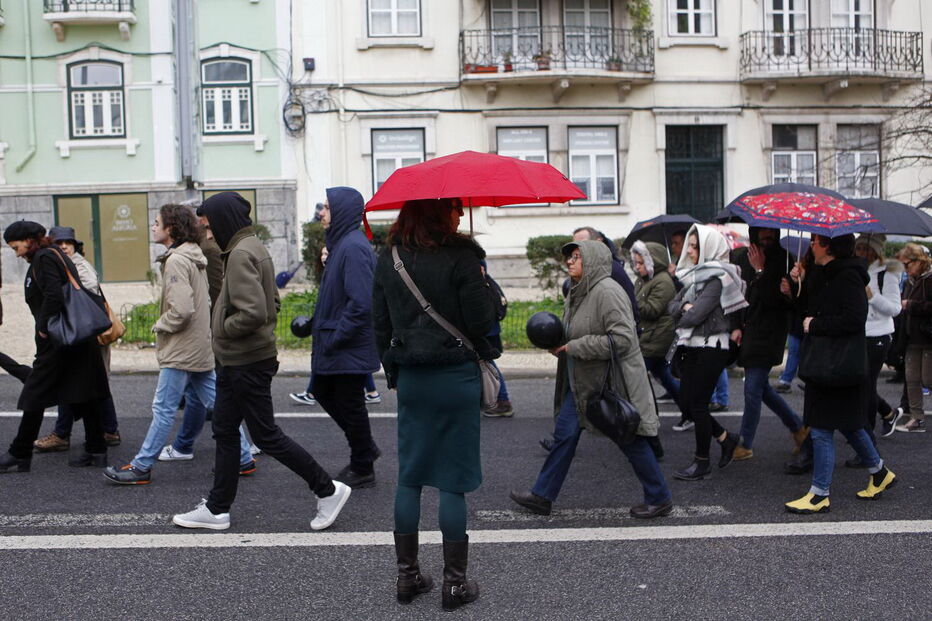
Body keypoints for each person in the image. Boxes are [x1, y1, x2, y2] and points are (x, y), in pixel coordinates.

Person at [173, 192, 350, 531]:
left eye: (209, 227)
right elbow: (273, 304)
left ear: (222, 221)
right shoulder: (252, 247)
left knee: (266, 436)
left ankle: (327, 490)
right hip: (241, 359)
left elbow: (254, 312)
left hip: (245, 361)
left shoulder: (239, 254)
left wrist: (221, 329)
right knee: (224, 429)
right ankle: (216, 508)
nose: (207, 234)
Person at [372, 198, 495, 610]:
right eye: (455, 207)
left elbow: (380, 321)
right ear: (437, 212)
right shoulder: (463, 256)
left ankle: (407, 577)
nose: (460, 214)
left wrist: (393, 371)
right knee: (452, 480)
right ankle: (454, 585)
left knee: (410, 475)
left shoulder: (389, 257)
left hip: (411, 377)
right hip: (455, 375)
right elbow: (481, 324)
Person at [510, 241, 671, 521]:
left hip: (607, 383)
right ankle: (542, 496)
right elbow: (576, 329)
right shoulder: (578, 290)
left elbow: (622, 339)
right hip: (582, 381)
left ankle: (659, 498)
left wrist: (575, 347)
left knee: (628, 437)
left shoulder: (608, 292)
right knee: (565, 435)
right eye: (568, 257)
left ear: (593, 261)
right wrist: (559, 342)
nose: (569, 262)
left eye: (576, 257)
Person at [104, 205, 256, 484]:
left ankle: (141, 466)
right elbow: (205, 302)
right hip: (199, 344)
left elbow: (182, 309)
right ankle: (244, 458)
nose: (153, 226)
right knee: (217, 405)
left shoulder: (176, 261)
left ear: (171, 228)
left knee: (163, 409)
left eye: (157, 222)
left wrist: (160, 325)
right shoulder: (194, 256)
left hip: (182, 348)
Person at [784, 234, 896, 513]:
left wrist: (816, 325)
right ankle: (879, 472)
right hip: (828, 362)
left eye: (816, 240)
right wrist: (796, 288)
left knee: (821, 428)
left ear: (829, 247)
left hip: (836, 364)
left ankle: (819, 493)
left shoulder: (847, 276)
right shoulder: (824, 273)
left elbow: (854, 319)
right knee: (849, 423)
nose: (811, 244)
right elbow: (807, 314)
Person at [0, 221, 110, 472]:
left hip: (58, 340)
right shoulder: (52, 255)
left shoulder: (44, 258)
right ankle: (96, 449)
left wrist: (43, 326)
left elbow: (54, 295)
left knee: (33, 394)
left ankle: (20, 452)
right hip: (71, 339)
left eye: (15, 246)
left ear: (29, 240)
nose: (16, 253)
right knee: (83, 393)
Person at [309, 187, 381, 489]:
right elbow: (337, 296)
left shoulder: (353, 248)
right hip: (336, 342)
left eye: (326, 207)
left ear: (341, 211)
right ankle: (365, 448)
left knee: (350, 403)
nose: (321, 213)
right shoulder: (341, 245)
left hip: (346, 344)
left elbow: (361, 301)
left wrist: (337, 337)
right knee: (324, 391)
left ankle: (363, 464)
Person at [668, 224, 746, 481]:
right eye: (689, 246)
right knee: (689, 404)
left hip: (712, 348)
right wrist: (684, 306)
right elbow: (673, 305)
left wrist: (684, 308)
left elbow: (694, 316)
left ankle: (702, 461)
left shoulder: (717, 277)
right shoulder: (694, 276)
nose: (689, 251)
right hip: (693, 346)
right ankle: (726, 439)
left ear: (708, 248)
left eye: (694, 246)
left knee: (697, 405)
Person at [33, 226, 121, 452]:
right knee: (90, 383)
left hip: (85, 332)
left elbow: (87, 291)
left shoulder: (79, 266)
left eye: (67, 243)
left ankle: (65, 434)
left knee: (80, 383)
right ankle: (107, 430)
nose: (63, 247)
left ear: (75, 246)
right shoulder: (64, 264)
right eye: (59, 244)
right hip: (81, 331)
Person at [730, 227, 806, 461]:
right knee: (761, 388)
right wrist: (735, 325)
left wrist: (761, 270)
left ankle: (745, 443)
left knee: (752, 388)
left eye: (770, 230)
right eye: (761, 230)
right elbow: (735, 293)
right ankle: (798, 428)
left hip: (770, 332)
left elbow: (776, 301)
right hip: (747, 329)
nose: (766, 235)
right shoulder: (741, 256)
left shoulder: (784, 259)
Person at [848, 235, 902, 450]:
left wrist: (872, 297)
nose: (861, 252)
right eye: (858, 247)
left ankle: (867, 440)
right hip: (857, 334)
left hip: (878, 336)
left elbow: (895, 309)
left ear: (875, 251)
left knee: (866, 386)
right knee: (860, 385)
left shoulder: (886, 273)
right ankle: (886, 413)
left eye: (865, 248)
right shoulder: (854, 270)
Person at [630, 241, 680, 417]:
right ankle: (689, 411)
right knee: (663, 374)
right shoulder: (643, 279)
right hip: (649, 334)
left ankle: (650, 415)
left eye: (641, 263)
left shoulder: (663, 281)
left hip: (657, 337)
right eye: (636, 263)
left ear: (653, 262)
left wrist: (632, 302)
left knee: (638, 378)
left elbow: (652, 310)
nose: (637, 267)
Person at [564, 227, 639, 327]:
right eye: (575, 245)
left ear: (598, 242)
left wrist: (578, 343)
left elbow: (623, 328)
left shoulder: (611, 271)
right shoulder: (582, 276)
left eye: (584, 243)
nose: (579, 247)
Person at [894, 243, 932, 433]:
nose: (905, 268)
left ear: (919, 261)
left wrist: (911, 305)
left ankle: (917, 418)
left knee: (927, 379)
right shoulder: (910, 280)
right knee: (912, 379)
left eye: (908, 264)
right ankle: (917, 419)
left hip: (927, 337)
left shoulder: (929, 279)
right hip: (911, 336)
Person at [480, 260, 513, 417]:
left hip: (485, 333)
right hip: (489, 331)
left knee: (488, 366)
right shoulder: (487, 282)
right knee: (486, 365)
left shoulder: (480, 284)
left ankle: (502, 401)